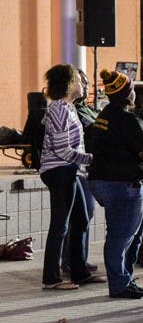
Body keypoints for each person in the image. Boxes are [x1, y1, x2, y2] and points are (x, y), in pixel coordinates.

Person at [39, 64, 105, 290]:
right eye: (78, 80)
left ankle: (79, 272)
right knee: (60, 224)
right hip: (59, 170)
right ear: (68, 84)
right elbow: (62, 149)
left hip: (70, 169)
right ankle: (51, 279)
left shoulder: (69, 108)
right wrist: (92, 159)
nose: (82, 84)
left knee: (80, 218)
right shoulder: (58, 109)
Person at [88, 69, 143, 299]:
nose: (135, 93)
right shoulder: (128, 119)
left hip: (108, 181)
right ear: (127, 93)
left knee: (131, 234)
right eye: (132, 89)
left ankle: (124, 278)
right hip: (123, 185)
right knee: (121, 236)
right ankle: (119, 285)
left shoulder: (105, 114)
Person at [61, 69, 99, 276]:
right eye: (82, 82)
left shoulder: (88, 109)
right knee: (80, 216)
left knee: (85, 214)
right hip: (76, 168)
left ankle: (78, 260)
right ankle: (70, 261)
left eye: (87, 82)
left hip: (88, 168)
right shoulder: (67, 109)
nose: (87, 86)